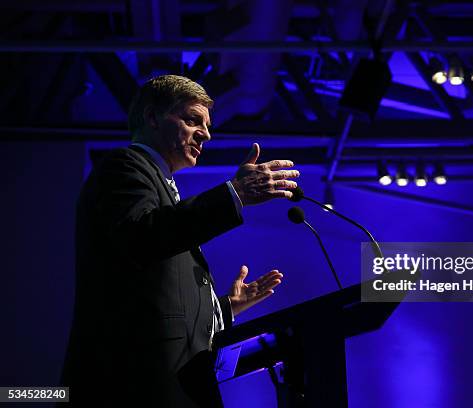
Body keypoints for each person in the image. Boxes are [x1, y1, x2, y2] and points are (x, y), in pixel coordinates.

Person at [61, 75, 300, 407]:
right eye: (191, 120)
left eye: (207, 125)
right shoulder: (124, 167)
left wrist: (225, 308)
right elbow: (141, 238)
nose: (206, 134)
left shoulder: (163, 189)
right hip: (131, 388)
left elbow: (156, 291)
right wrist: (236, 195)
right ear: (152, 117)